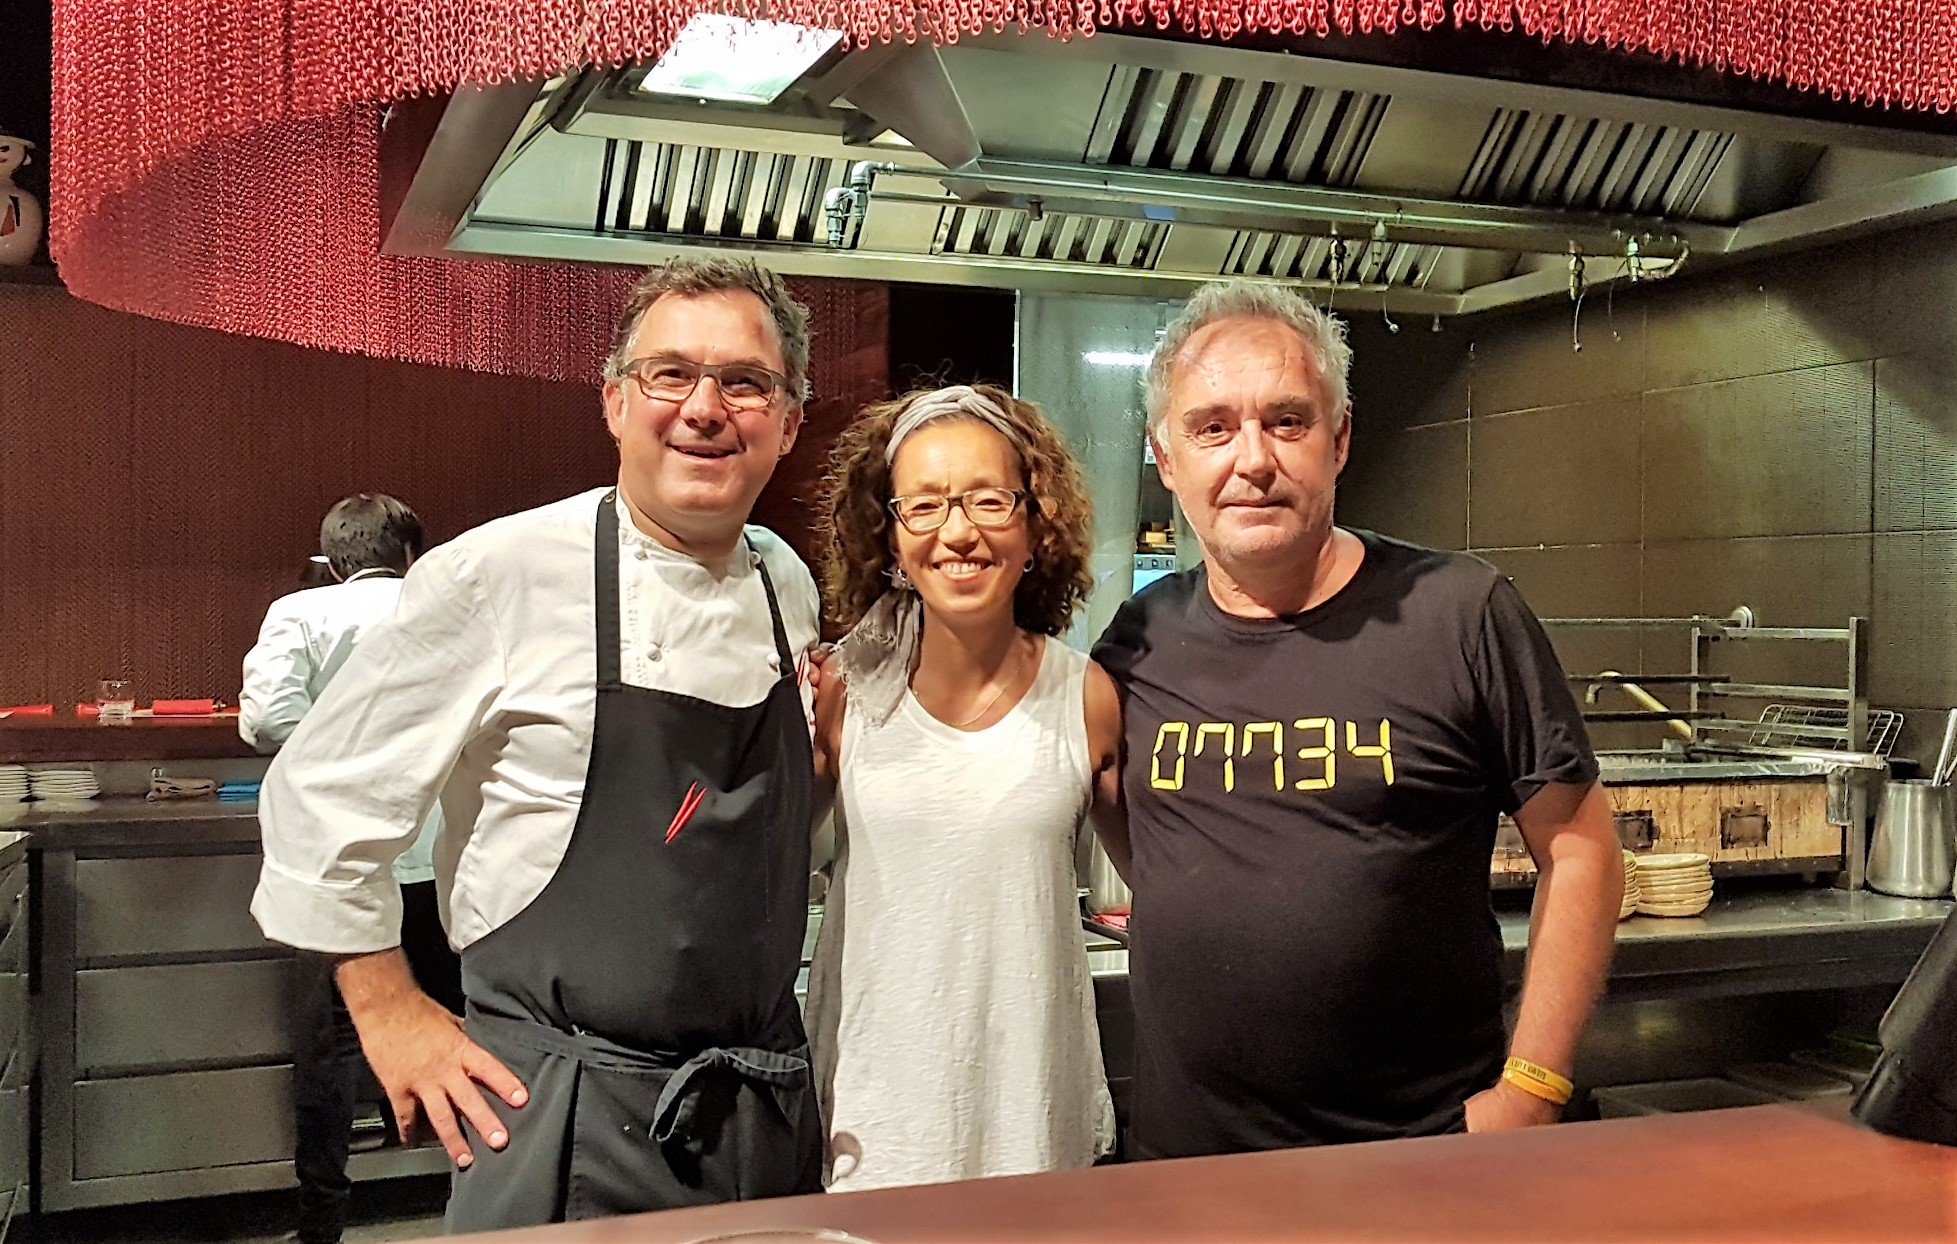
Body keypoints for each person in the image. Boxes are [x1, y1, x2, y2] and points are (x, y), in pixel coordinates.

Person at [250, 258, 826, 1230]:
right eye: (668, 374)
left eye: (744, 381)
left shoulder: (785, 583)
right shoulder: (498, 573)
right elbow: (317, 796)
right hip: (562, 1116)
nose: (704, 407)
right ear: (613, 400)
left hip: (761, 1112)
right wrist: (390, 1012)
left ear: (790, 419)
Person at [1091, 279, 1622, 1158]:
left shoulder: (1460, 611)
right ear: (1165, 456)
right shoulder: (1139, 637)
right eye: (1212, 427)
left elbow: (1582, 851)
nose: (1250, 459)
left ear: (1338, 439)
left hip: (1417, 1164)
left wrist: (1529, 1091)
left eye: (1286, 421)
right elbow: (1132, 823)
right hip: (1186, 1172)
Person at [806, 384, 1118, 1193]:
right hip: (875, 1135)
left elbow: (1163, 882)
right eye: (926, 506)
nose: (958, 533)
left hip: (1035, 1130)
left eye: (988, 500)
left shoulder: (1086, 696)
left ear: (1033, 522)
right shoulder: (843, 693)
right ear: (889, 531)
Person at [242, 493, 462, 1244]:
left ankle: (321, 1225)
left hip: (336, 868)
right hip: (441, 861)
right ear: (410, 554)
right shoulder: (444, 606)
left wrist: (344, 751)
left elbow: (267, 720)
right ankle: (485, 1202)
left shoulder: (299, 614)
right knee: (472, 1027)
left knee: (330, 1055)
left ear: (334, 562)